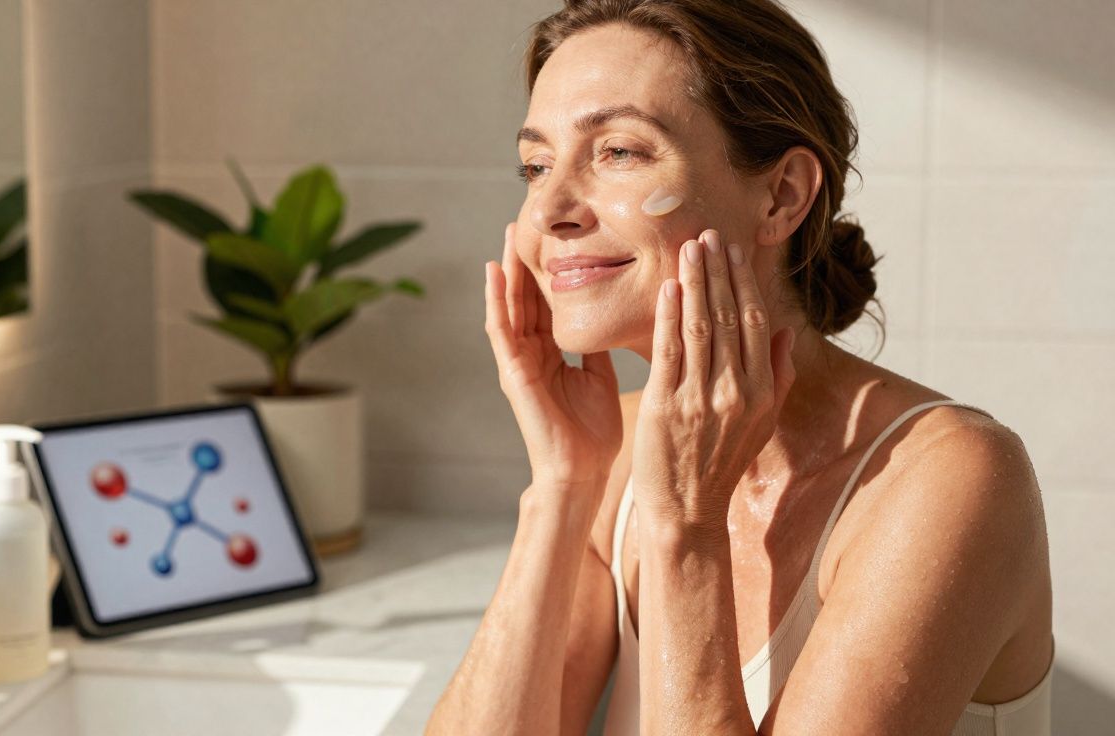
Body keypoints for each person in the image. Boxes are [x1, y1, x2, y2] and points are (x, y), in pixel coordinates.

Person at [427, 1, 1054, 734]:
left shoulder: (949, 479)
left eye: (619, 152)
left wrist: (686, 529)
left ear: (781, 195)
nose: (548, 211)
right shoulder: (620, 453)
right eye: (536, 165)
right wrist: (562, 486)